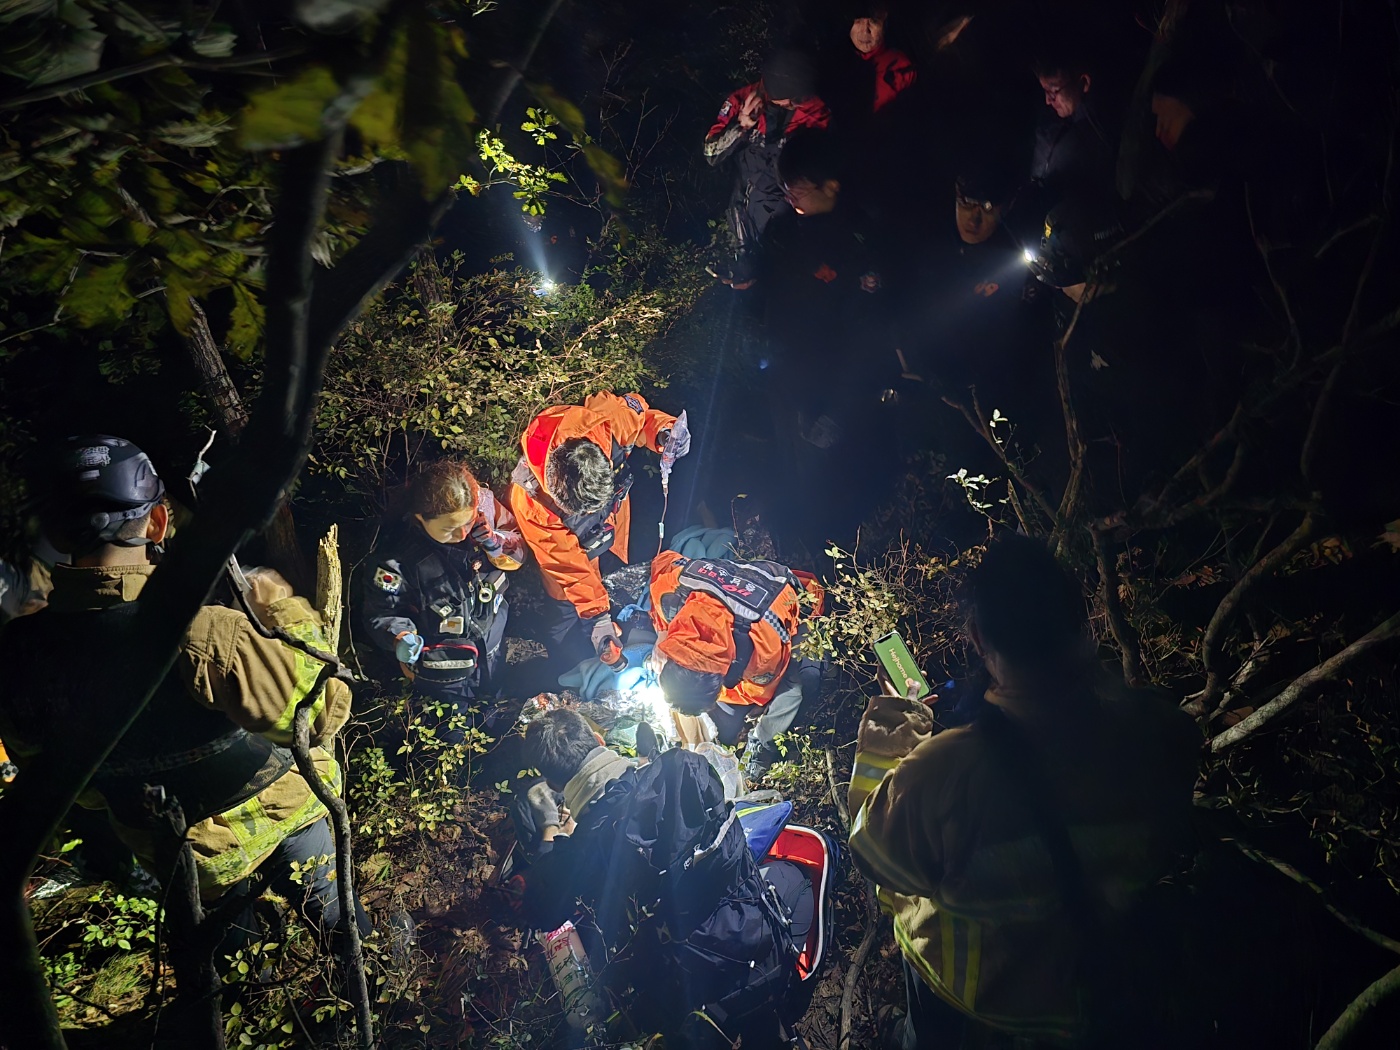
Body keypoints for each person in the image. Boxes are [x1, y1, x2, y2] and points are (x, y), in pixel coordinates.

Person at [0, 436, 365, 974]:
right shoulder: (201, 632)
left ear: (56, 535)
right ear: (156, 524)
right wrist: (286, 612)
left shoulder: (17, 658)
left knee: (240, 980)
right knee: (348, 933)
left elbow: (67, 788)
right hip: (286, 816)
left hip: (192, 863)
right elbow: (320, 713)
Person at [847, 534, 1200, 1047]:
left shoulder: (948, 772)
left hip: (969, 1006)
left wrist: (895, 724)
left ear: (976, 637)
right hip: (1086, 1000)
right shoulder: (1162, 735)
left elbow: (873, 852)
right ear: (1083, 624)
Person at [510, 709, 796, 1047]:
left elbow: (541, 912)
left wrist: (550, 827)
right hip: (757, 932)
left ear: (556, 785)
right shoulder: (684, 772)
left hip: (692, 984)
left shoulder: (586, 848)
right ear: (600, 741)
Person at [508, 391, 689, 669]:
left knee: (610, 586)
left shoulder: (608, 423)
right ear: (559, 496)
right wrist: (598, 618)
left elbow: (643, 421)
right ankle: (562, 667)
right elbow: (570, 568)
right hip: (569, 568)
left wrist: (664, 433)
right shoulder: (533, 504)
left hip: (606, 536)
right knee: (565, 616)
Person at [363, 458, 524, 737]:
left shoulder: (484, 505)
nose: (462, 534)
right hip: (444, 671)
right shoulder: (397, 560)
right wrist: (400, 637)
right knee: (452, 735)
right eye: (449, 529)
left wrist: (493, 540)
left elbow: (518, 551)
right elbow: (383, 613)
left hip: (492, 650)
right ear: (420, 518)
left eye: (468, 522)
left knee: (494, 717)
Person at [648, 550, 823, 781]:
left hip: (785, 597)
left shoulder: (761, 651)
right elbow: (661, 561)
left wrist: (742, 703)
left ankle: (763, 744)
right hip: (736, 580)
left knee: (797, 683)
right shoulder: (674, 591)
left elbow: (759, 694)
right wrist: (662, 634)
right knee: (728, 725)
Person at [704, 49, 831, 288]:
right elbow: (711, 154)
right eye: (790, 99)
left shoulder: (814, 109)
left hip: (783, 223)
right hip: (739, 215)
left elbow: (815, 173)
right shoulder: (741, 100)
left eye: (799, 98)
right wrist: (741, 126)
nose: (795, 103)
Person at [1029, 47, 1117, 211]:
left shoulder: (1099, 133)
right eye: (1045, 91)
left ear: (1084, 82)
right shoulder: (1052, 120)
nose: (1048, 100)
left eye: (1054, 91)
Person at [847, 4, 918, 115]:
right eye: (858, 21)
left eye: (874, 22)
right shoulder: (836, 63)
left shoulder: (901, 66)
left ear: (885, 27)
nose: (865, 30)